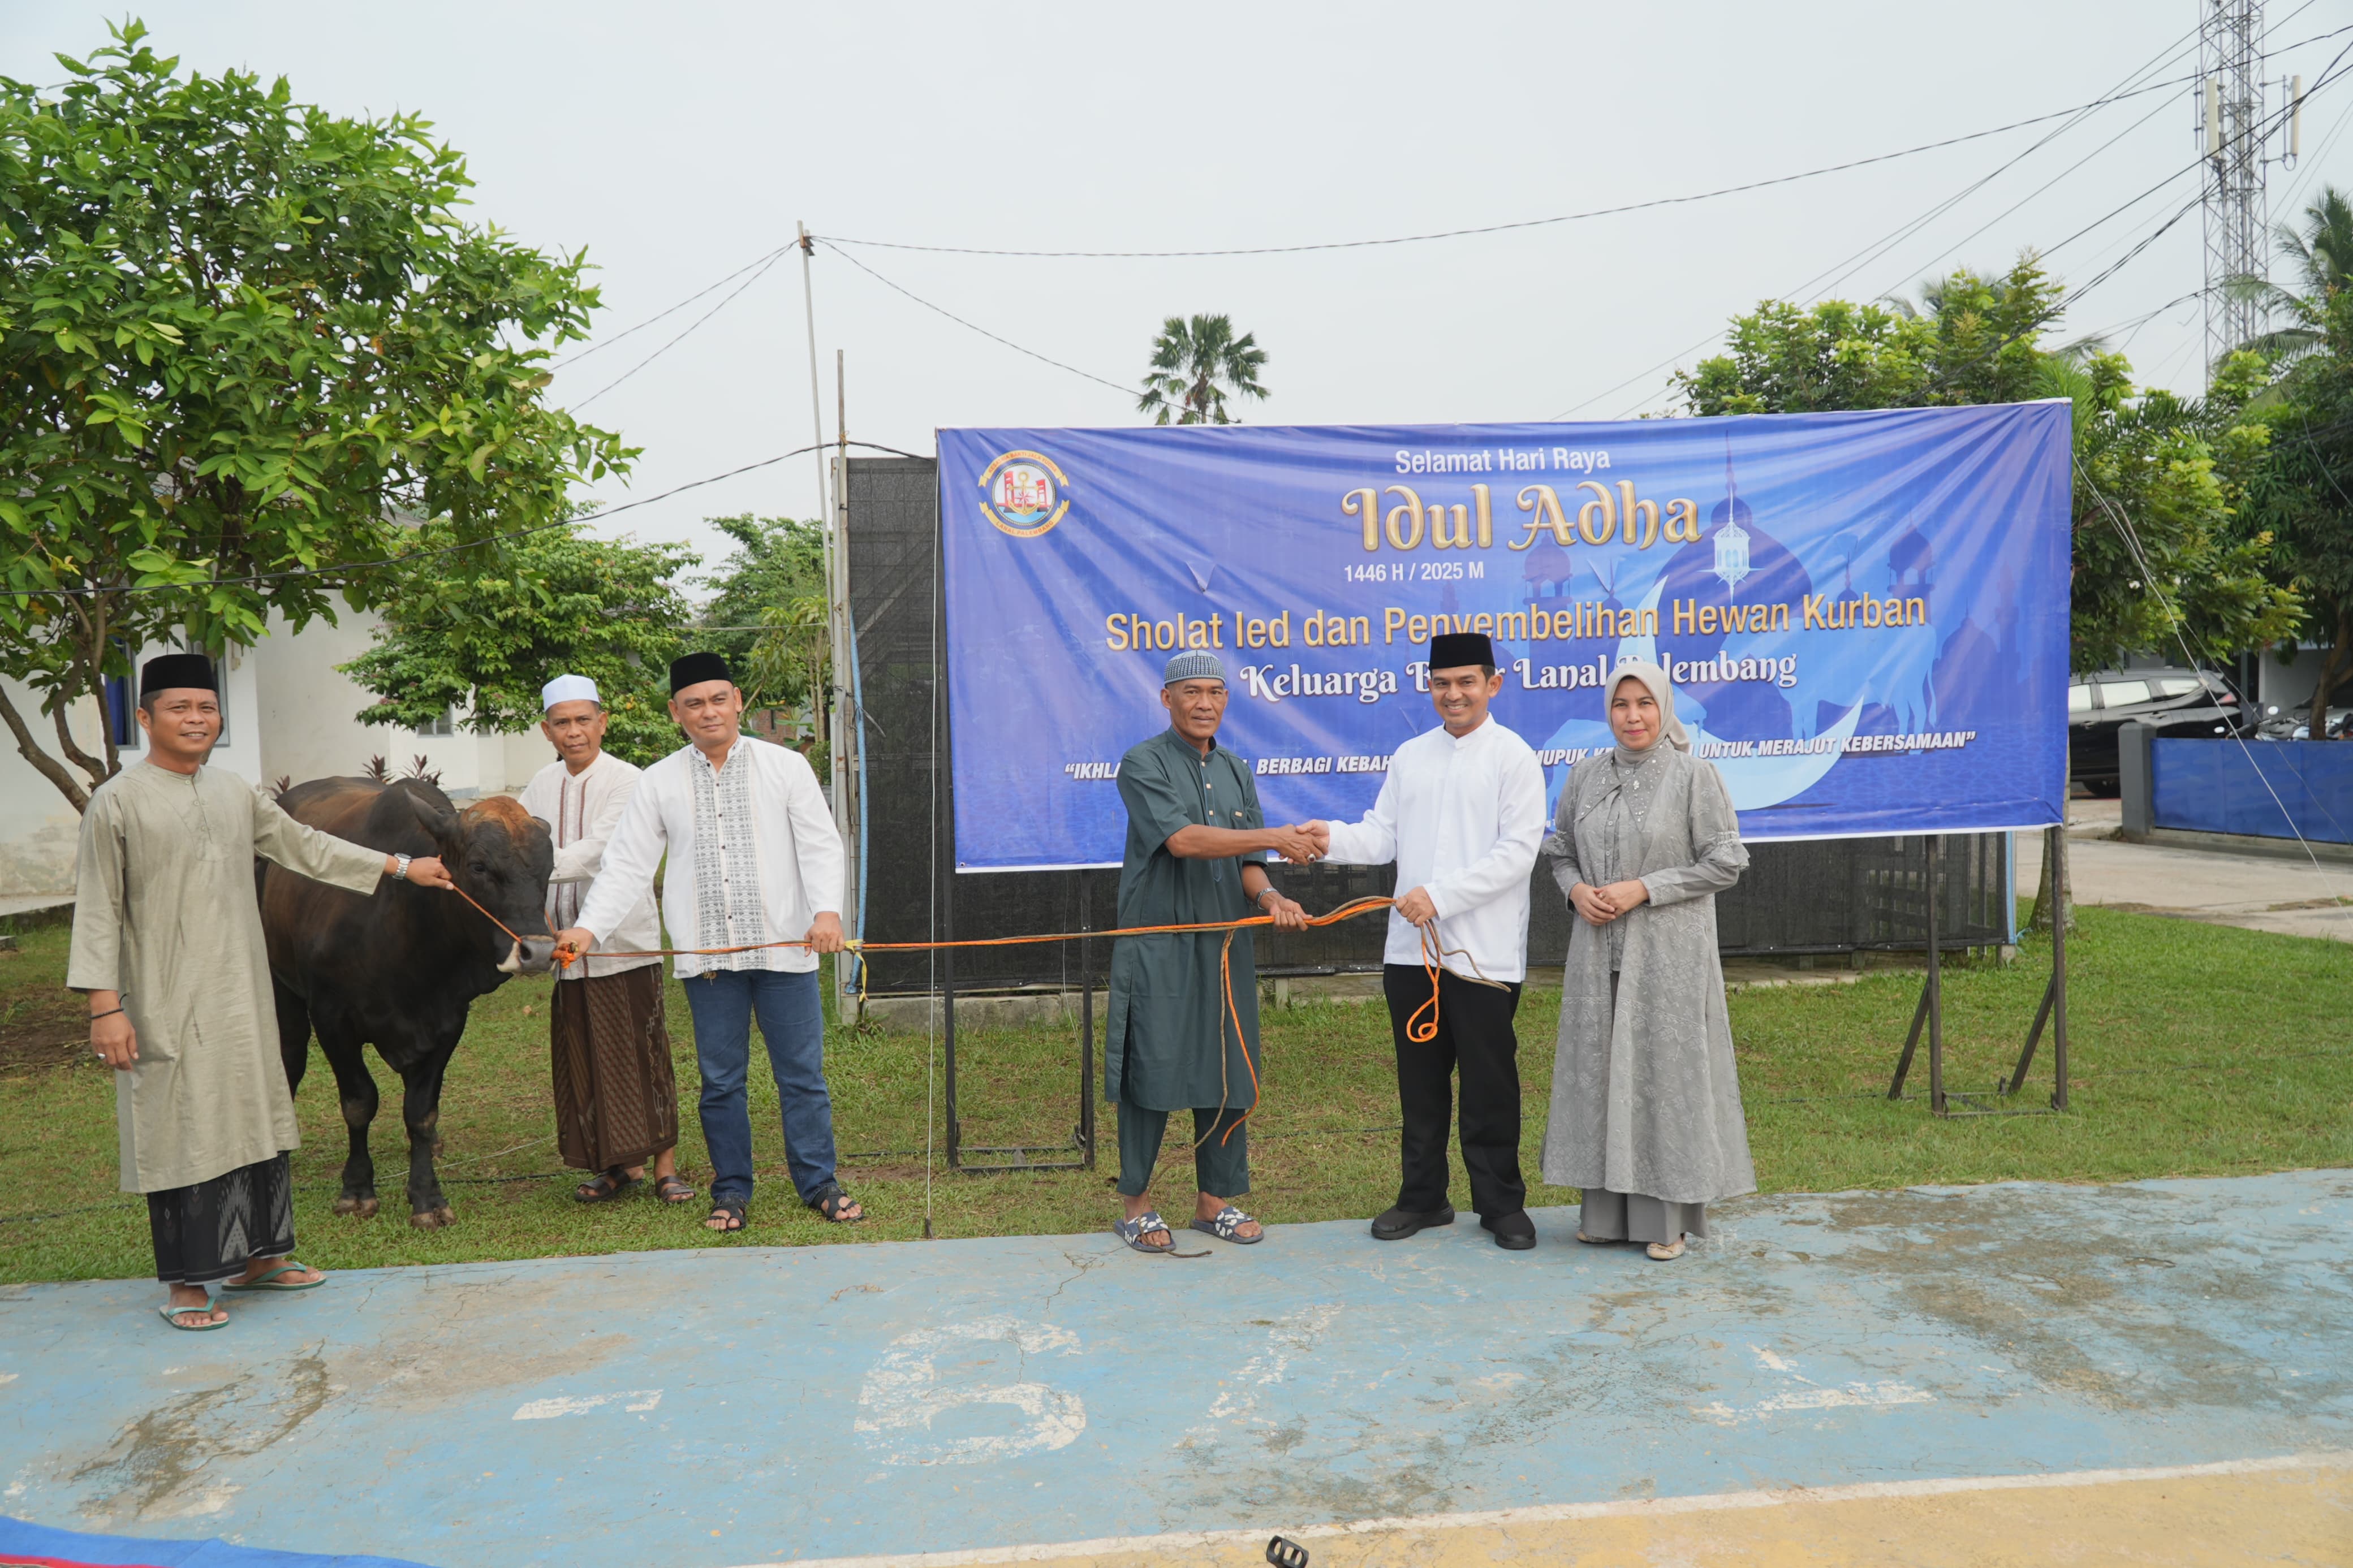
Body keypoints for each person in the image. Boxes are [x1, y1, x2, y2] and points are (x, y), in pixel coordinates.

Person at [70, 653, 454, 1330]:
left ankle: (261, 1258)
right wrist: (106, 1005)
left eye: (206, 707)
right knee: (184, 1123)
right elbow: (97, 908)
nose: (196, 719)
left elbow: (305, 845)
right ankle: (190, 1282)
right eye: (179, 708)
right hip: (162, 992)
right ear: (145, 717)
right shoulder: (118, 802)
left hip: (242, 985)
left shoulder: (233, 793)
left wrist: (400, 865)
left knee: (253, 1112)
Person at [552, 653, 855, 1236]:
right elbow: (626, 866)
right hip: (708, 959)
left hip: (785, 950)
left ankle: (819, 1183)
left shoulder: (784, 767)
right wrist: (588, 929)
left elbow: (820, 843)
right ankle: (732, 1190)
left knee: (802, 1076)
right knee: (721, 1081)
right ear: (675, 712)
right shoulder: (659, 780)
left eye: (718, 699)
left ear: (737, 701)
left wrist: (826, 912)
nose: (708, 711)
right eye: (694, 702)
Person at [1306, 632, 1548, 1251]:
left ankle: (1499, 1203)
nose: (1453, 694)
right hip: (1410, 955)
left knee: (1490, 1085)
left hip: (1480, 954)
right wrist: (1325, 838)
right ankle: (1422, 1197)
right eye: (1441, 683)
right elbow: (1380, 836)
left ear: (1492, 685)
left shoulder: (1514, 756)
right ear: (1429, 687)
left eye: (1466, 681)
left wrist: (1439, 895)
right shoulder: (1410, 755)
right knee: (1419, 1083)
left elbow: (1517, 854)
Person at [1540, 660, 1754, 1261]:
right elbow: (1558, 849)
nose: (1631, 716)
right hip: (1595, 953)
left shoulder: (1693, 776)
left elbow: (1725, 860)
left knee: (1661, 1075)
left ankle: (1668, 1221)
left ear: (1663, 708)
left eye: (1644, 704)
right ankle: (1604, 1215)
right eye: (1619, 705)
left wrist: (1644, 888)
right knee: (1603, 1073)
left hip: (1667, 957)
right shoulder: (1582, 776)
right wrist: (1576, 890)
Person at [1106, 651, 1313, 1254]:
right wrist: (1275, 835)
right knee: (1152, 1067)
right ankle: (1136, 1204)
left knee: (1228, 1068)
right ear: (1166, 699)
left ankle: (1213, 1202)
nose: (1204, 703)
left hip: (1225, 943)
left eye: (1215, 691)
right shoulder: (1141, 762)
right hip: (1159, 943)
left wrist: (1271, 896)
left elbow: (1249, 866)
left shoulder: (1235, 768)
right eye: (1191, 691)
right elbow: (1183, 840)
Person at [518, 675, 689, 1208]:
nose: (574, 732)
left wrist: (522, 865)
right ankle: (618, 1166)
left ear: (603, 722)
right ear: (547, 730)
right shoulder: (540, 786)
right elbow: (519, 838)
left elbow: (600, 853)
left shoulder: (630, 780)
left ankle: (665, 1167)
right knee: (585, 1057)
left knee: (643, 1054)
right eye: (562, 723)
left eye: (583, 720)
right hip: (562, 949)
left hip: (621, 944)